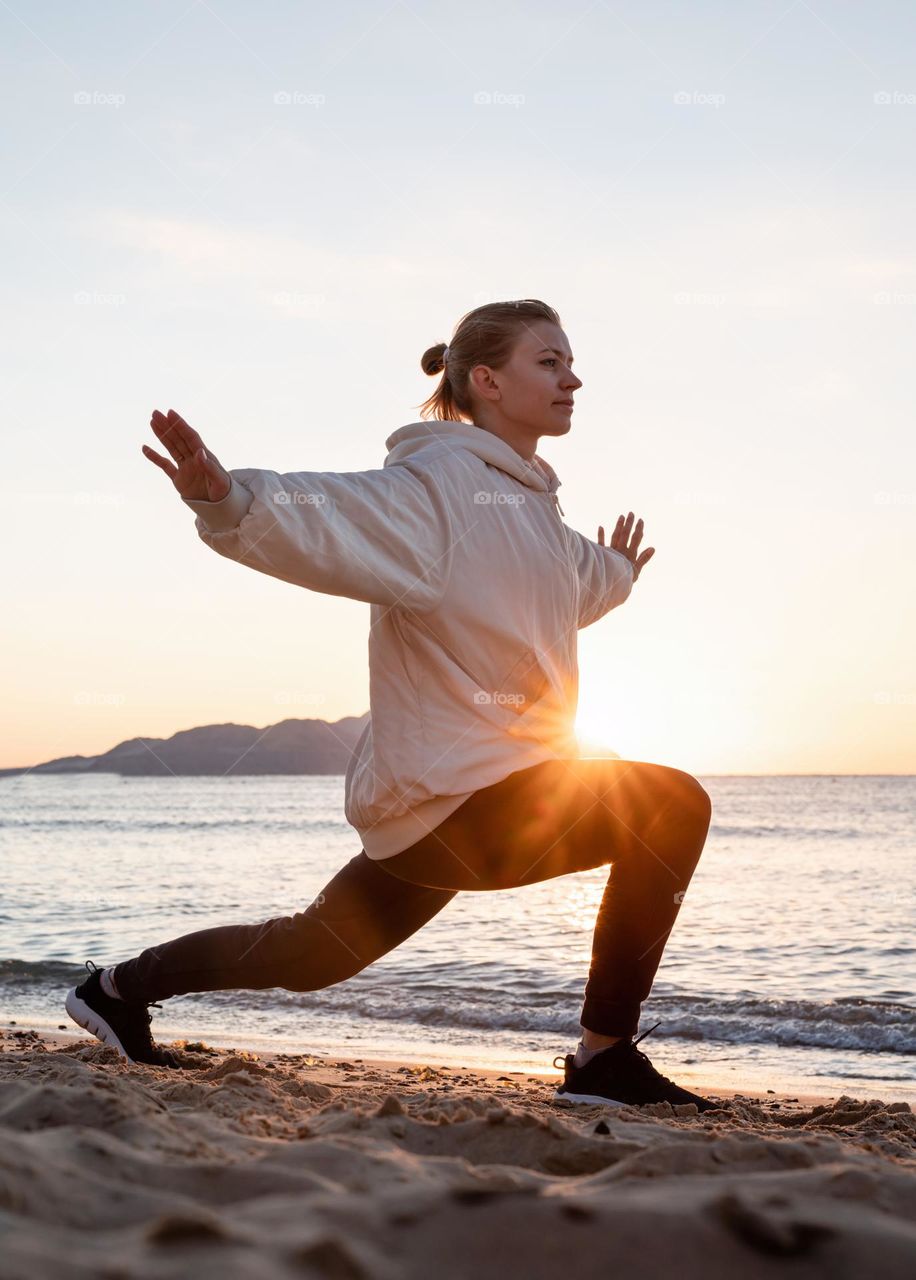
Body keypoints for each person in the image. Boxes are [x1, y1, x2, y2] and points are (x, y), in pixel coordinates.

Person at [66, 299, 718, 1112]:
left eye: (569, 361)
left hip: (476, 798)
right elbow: (332, 516)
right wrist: (228, 500)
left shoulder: (531, 506)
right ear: (486, 379)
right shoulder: (437, 486)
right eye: (549, 361)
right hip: (456, 800)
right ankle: (603, 1059)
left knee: (313, 954)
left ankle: (116, 989)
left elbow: (569, 587)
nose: (572, 377)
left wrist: (618, 572)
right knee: (671, 804)